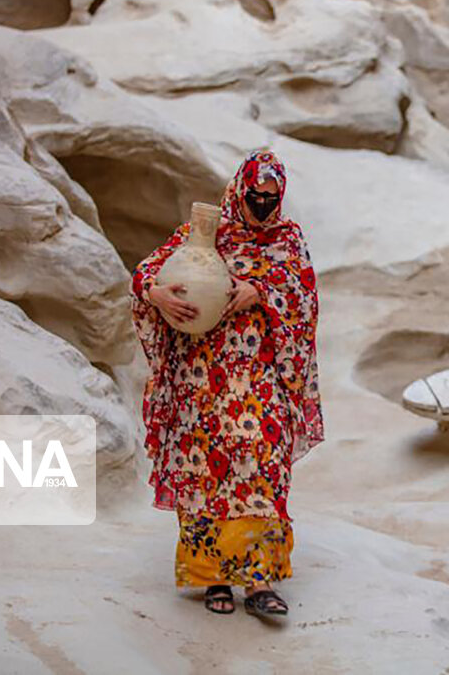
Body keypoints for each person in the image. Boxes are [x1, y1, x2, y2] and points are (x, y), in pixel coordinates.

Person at [130, 148, 324, 618]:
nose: (261, 205)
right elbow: (148, 270)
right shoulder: (209, 236)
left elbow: (304, 292)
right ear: (240, 191)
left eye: (270, 198)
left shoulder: (288, 239)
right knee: (204, 471)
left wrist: (262, 292)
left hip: (259, 381)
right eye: (254, 195)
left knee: (262, 467)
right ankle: (212, 578)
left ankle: (259, 582)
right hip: (202, 382)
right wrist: (155, 294)